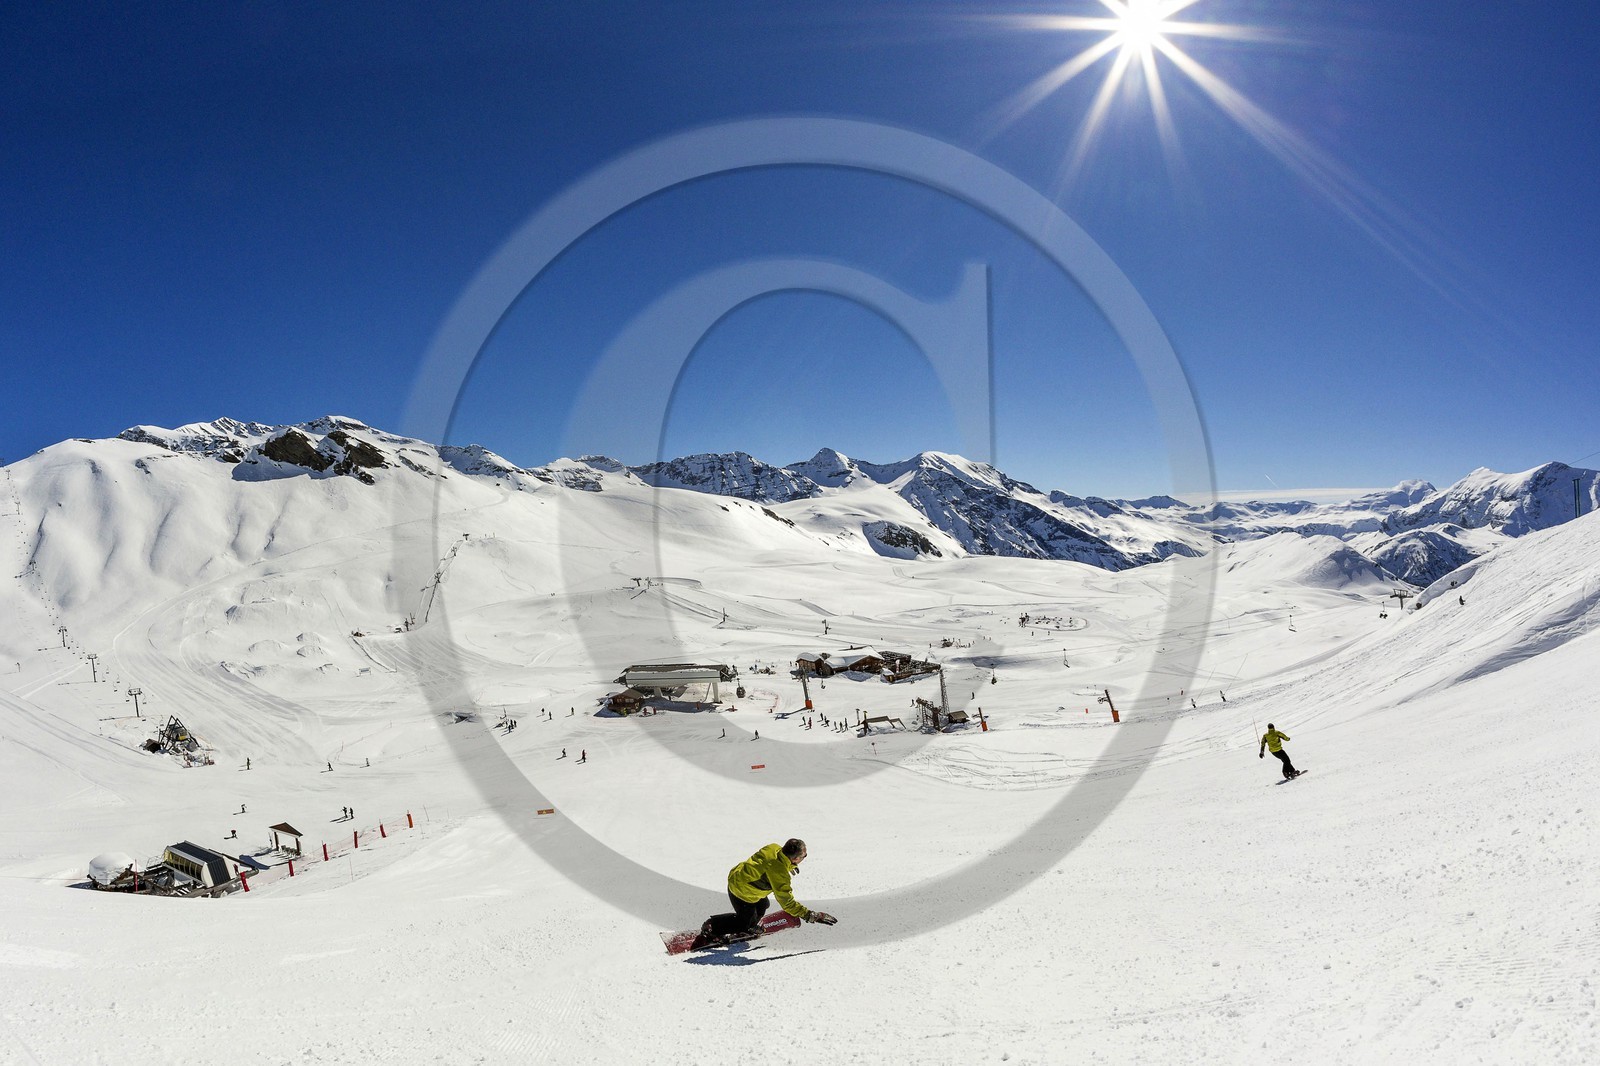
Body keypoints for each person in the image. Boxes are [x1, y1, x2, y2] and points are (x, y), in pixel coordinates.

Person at [690, 839, 837, 949]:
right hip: (742, 891)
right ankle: (712, 927)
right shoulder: (779, 874)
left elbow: (769, 864)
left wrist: (789, 866)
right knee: (744, 922)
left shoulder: (774, 848)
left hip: (738, 877)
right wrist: (810, 915)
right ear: (796, 858)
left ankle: (749, 925)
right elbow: (787, 902)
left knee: (763, 905)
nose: (804, 858)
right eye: (804, 856)